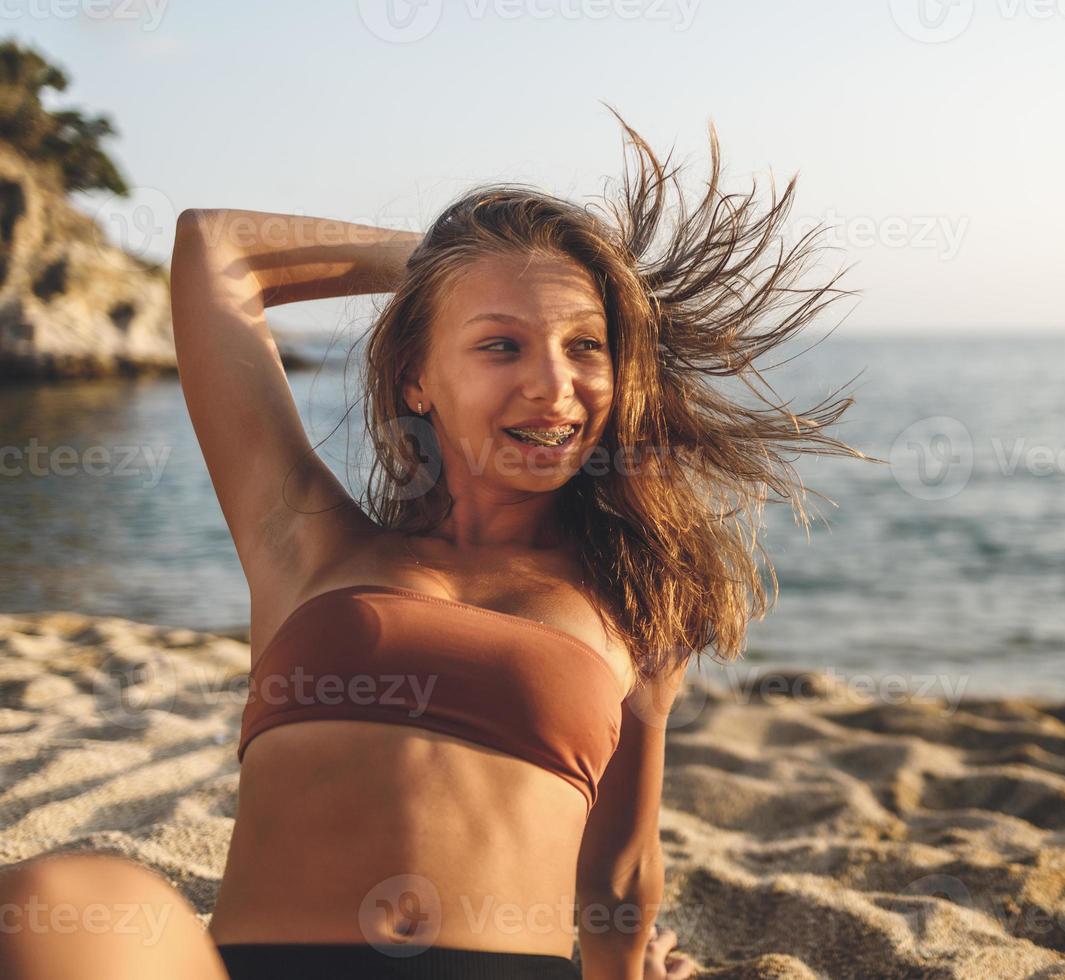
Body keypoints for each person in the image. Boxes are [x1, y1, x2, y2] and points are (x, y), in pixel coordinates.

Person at [0, 111, 864, 980]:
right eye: (501, 344)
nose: (552, 385)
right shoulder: (306, 543)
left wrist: (626, 970)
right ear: (418, 375)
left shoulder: (631, 599)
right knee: (56, 905)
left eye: (586, 347)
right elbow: (216, 249)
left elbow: (620, 871)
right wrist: (447, 260)